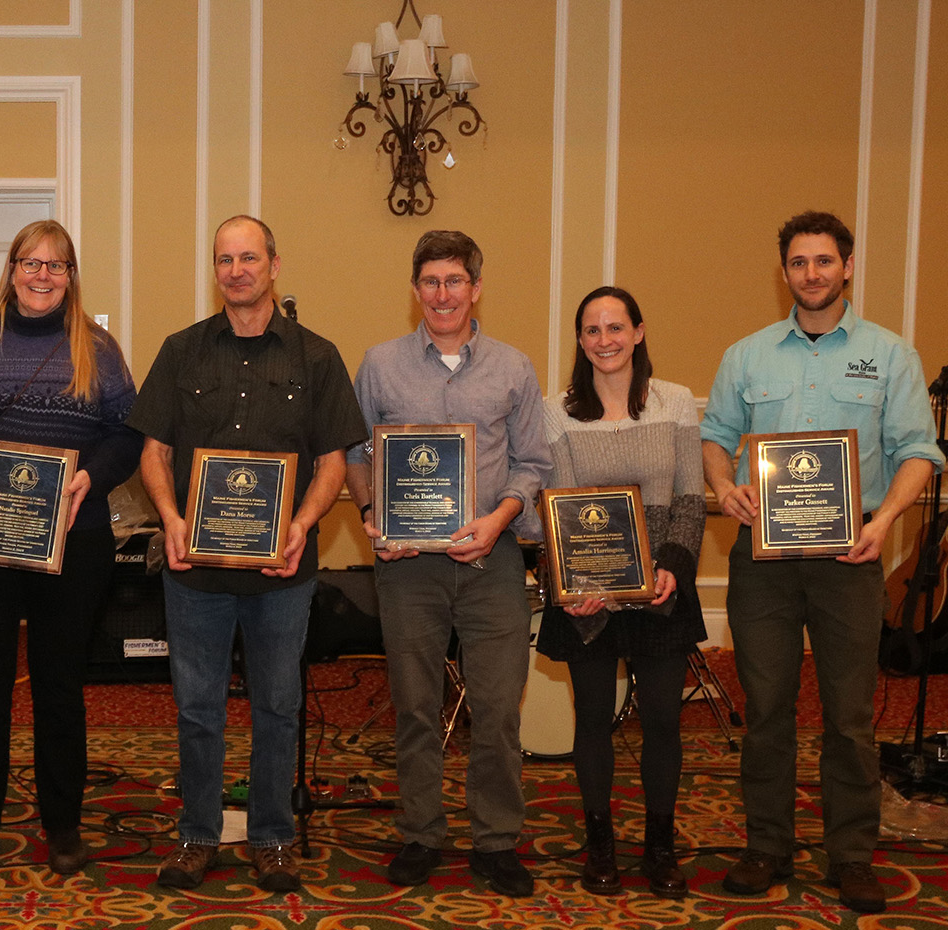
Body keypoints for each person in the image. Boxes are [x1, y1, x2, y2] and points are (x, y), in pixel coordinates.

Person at [701, 211, 943, 914]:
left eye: (824, 261)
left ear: (847, 267)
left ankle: (852, 855)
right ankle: (766, 845)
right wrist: (723, 485)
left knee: (850, 716)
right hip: (763, 563)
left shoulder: (891, 354)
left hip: (850, 559)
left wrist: (885, 519)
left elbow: (919, 453)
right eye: (799, 263)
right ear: (784, 273)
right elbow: (715, 436)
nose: (812, 273)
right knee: (768, 708)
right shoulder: (747, 355)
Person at [128, 215, 366, 893]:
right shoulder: (180, 352)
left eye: (248, 258)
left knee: (278, 706)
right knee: (197, 706)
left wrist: (303, 524)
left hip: (283, 573)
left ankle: (271, 838)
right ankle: (198, 834)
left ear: (274, 265)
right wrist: (170, 518)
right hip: (195, 571)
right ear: (215, 271)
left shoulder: (316, 358)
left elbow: (331, 461)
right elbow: (154, 453)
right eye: (224, 260)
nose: (237, 270)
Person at [0, 219, 141, 876]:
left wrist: (88, 478)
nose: (42, 275)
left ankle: (64, 825)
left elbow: (128, 435)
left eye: (56, 265)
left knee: (58, 685)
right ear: (12, 268)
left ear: (71, 275)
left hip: (75, 543)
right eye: (31, 262)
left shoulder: (98, 349)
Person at [344, 230, 552, 899]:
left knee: (496, 708)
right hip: (408, 567)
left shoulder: (514, 368)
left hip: (490, 560)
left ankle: (495, 840)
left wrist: (497, 522)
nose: (442, 294)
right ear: (415, 291)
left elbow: (534, 463)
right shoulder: (379, 365)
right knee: (415, 704)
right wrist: (373, 517)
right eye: (430, 282)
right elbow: (355, 454)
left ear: (476, 288)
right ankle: (421, 833)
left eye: (455, 281)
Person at [535, 286, 704, 898]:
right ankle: (600, 840)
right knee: (593, 720)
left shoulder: (677, 402)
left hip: (660, 587)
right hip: (590, 599)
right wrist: (573, 587)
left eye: (616, 327)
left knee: (662, 718)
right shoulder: (557, 412)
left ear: (638, 331)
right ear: (579, 340)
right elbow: (561, 509)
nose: (604, 339)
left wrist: (674, 569)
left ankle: (660, 842)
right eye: (591, 330)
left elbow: (690, 497)